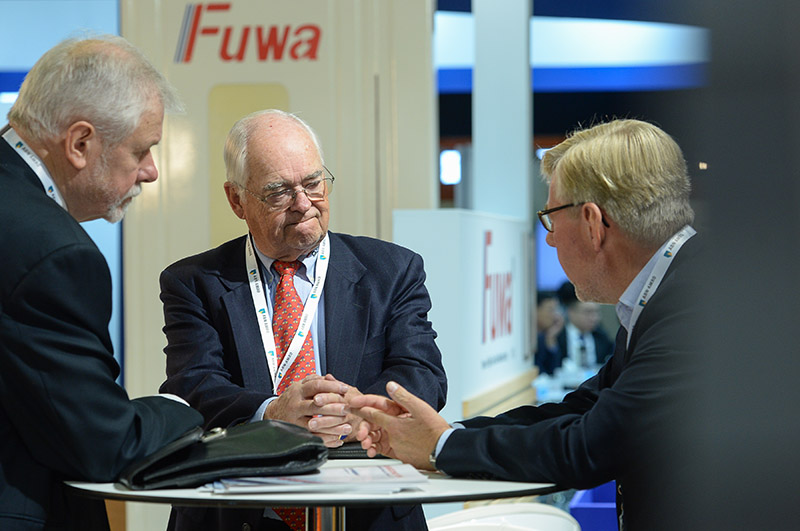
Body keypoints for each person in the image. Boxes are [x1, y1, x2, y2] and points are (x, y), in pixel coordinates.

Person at [350, 118, 701, 530]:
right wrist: (440, 433)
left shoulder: (692, 307)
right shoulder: (667, 292)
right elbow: (582, 409)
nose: (550, 239)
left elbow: (589, 446)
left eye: (550, 217)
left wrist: (441, 445)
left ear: (592, 222)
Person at [158, 109, 447, 530]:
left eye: (313, 183)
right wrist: (272, 414)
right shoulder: (194, 282)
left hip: (367, 511)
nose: (303, 204)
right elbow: (194, 387)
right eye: (278, 192)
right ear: (237, 200)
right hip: (237, 514)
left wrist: (358, 412)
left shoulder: (392, 270)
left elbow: (423, 374)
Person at [0, 36, 204, 530]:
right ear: (80, 144)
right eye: (142, 149)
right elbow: (106, 444)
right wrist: (181, 409)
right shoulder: (53, 252)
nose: (151, 172)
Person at [533, 290, 564, 375]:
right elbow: (539, 371)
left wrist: (550, 338)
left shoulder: (547, 335)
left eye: (556, 310)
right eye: (551, 310)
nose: (555, 315)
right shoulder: (527, 339)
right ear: (535, 310)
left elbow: (554, 371)